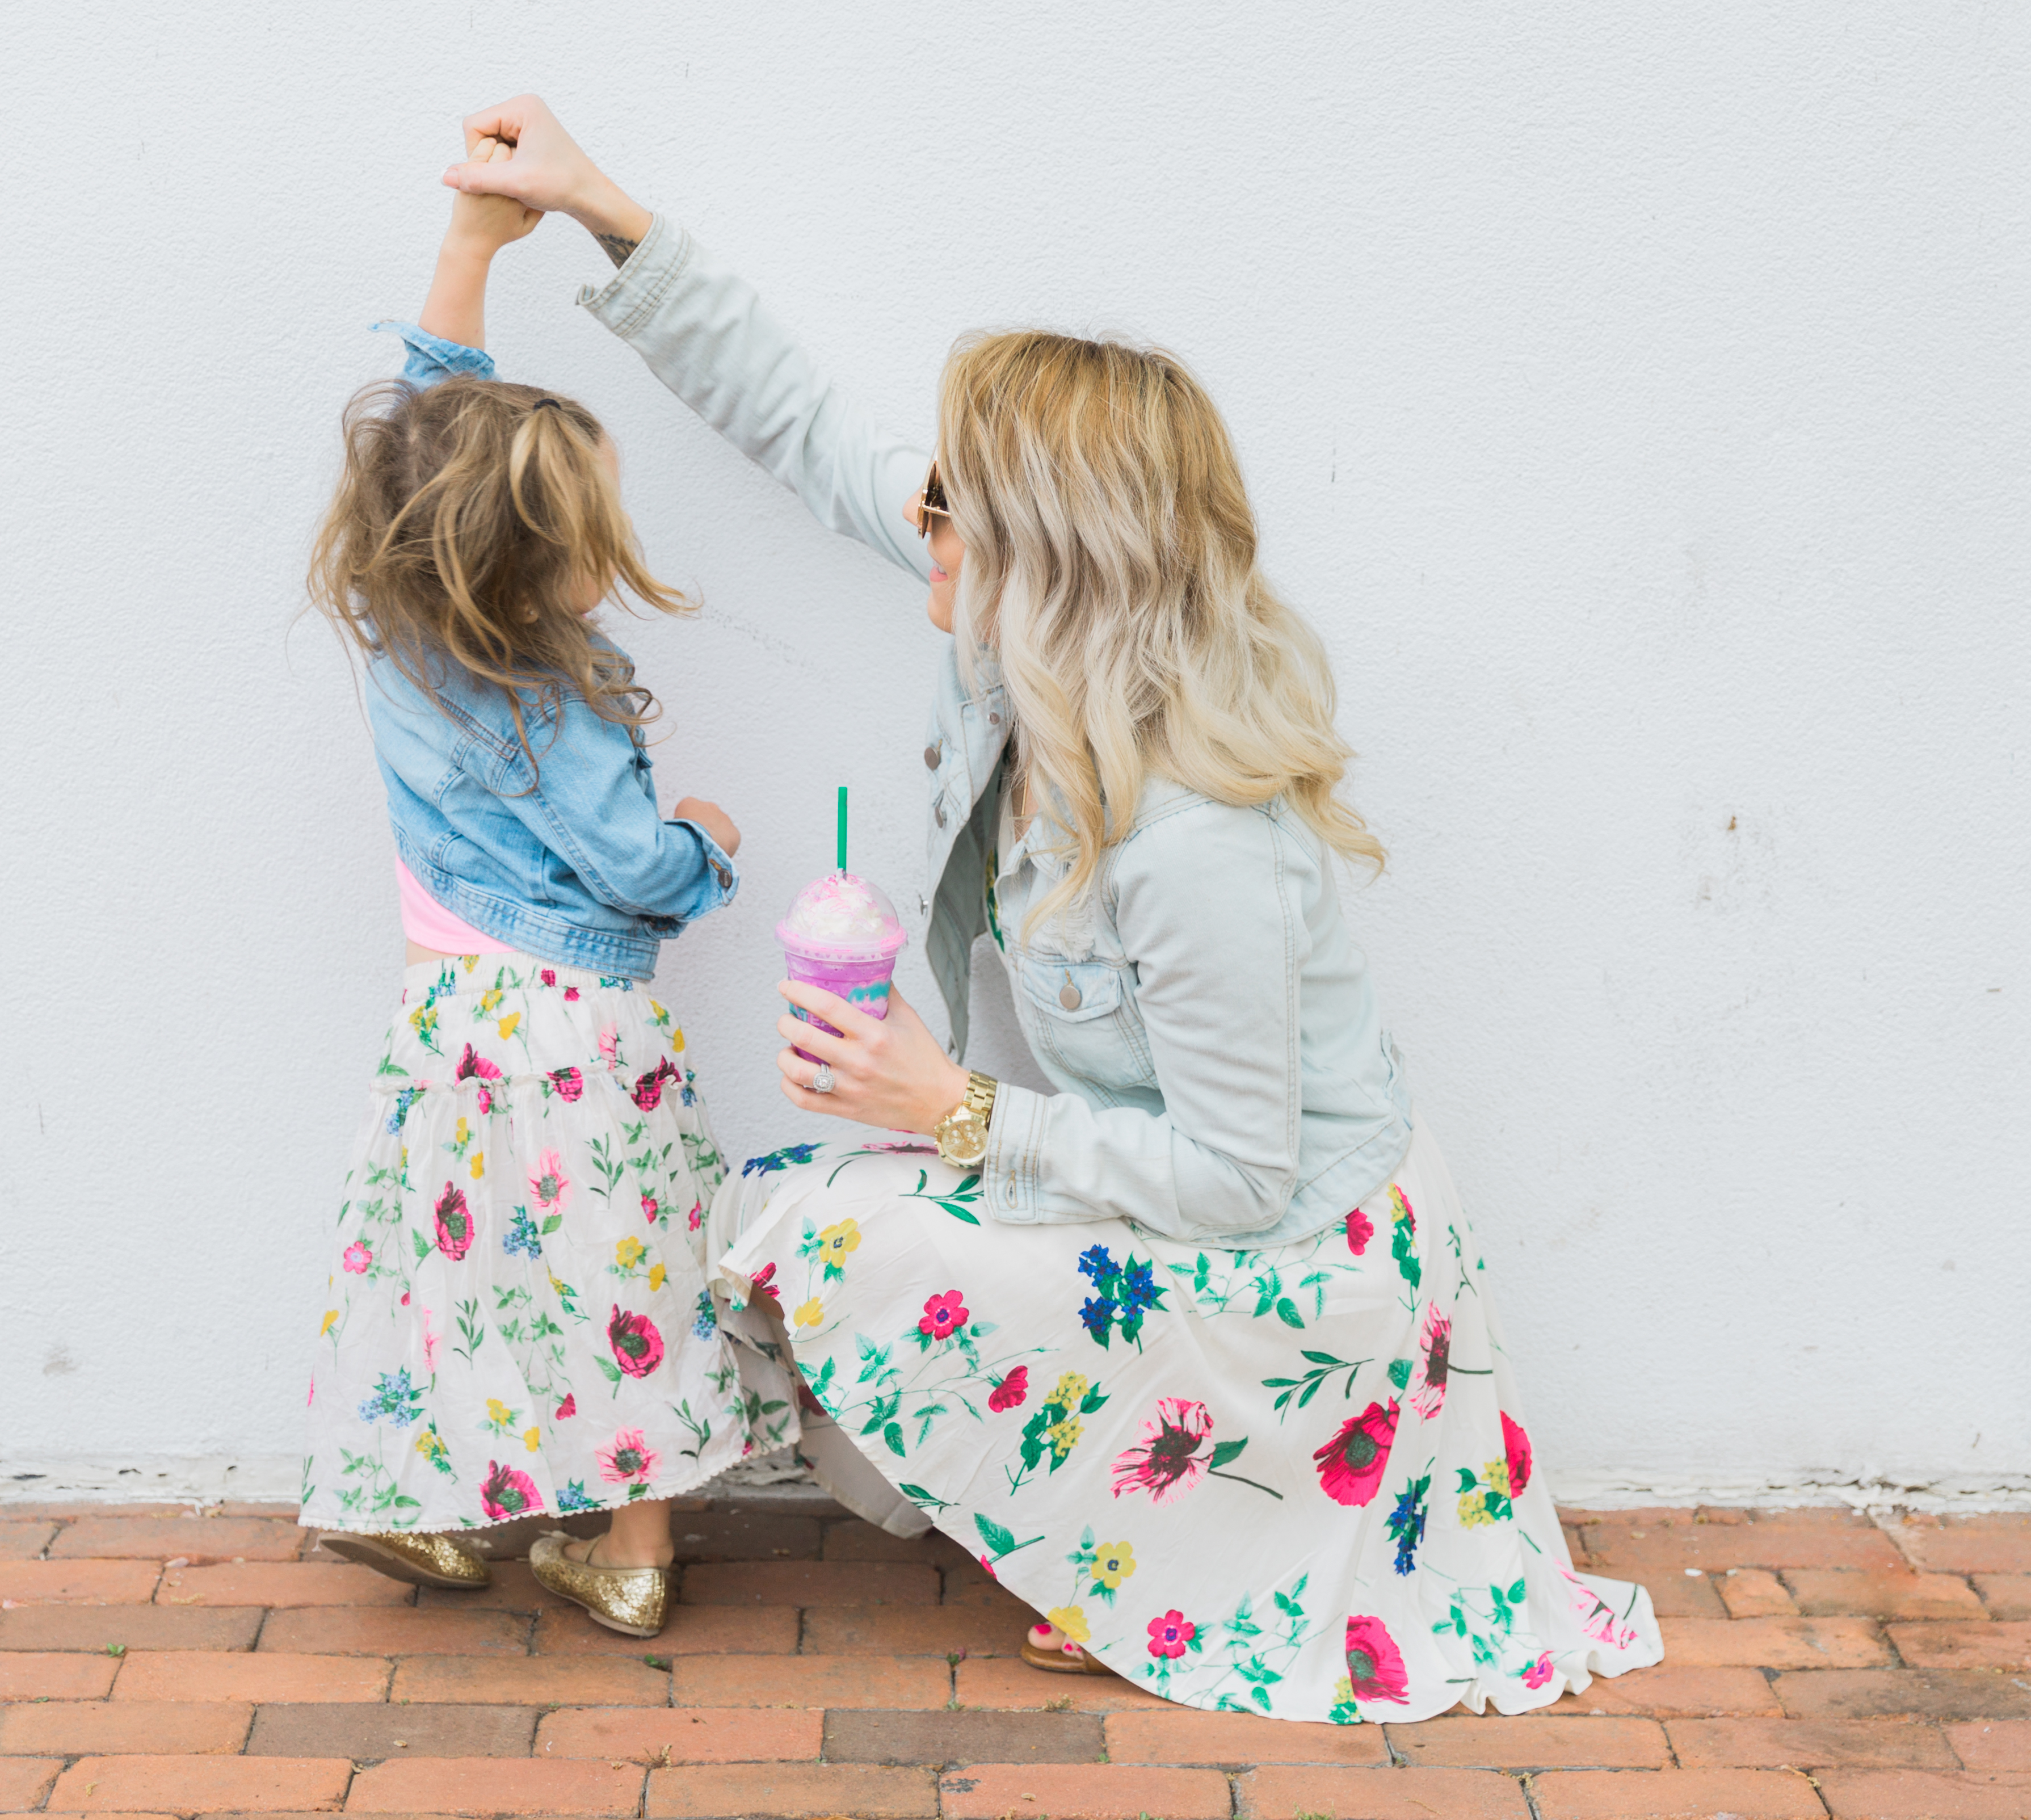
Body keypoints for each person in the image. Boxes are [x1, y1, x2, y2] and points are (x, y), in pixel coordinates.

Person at [440, 99, 1664, 1718]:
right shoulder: (1012, 643)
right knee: (787, 1215)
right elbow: (802, 424)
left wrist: (953, 1112)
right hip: (1145, 1195)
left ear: (1046, 556)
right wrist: (603, 210)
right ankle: (1125, 1515)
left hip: (1296, 1273)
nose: (913, 518)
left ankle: (1185, 1531)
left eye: (947, 504)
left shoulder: (1196, 834)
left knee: (838, 1234)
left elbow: (1239, 1180)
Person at [298, 136, 797, 1639]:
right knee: (613, 1283)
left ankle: (435, 1509)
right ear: (539, 561)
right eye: (595, 537)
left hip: (451, 1027)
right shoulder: (554, 705)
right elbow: (633, 872)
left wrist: (470, 244)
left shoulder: (401, 632)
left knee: (457, 1262)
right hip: (581, 1036)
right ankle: (626, 1551)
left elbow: (415, 424)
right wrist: (704, 838)